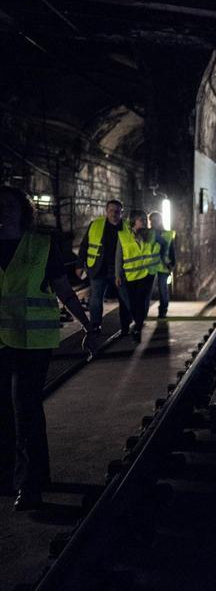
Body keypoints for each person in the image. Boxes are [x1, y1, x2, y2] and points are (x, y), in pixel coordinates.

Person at [0, 185, 103, 510]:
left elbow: (64, 291)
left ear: (23, 210)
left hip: (32, 342)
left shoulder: (41, 245)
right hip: (1, 343)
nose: (4, 210)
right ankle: (24, 475)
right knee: (7, 410)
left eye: (10, 204)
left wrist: (88, 326)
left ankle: (29, 485)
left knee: (25, 409)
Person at [78, 199, 132, 336]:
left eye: (117, 211)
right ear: (106, 211)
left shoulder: (128, 227)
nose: (114, 213)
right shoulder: (95, 225)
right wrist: (79, 265)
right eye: (111, 210)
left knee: (125, 299)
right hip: (98, 268)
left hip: (120, 270)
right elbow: (84, 246)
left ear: (122, 213)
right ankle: (95, 326)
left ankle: (126, 326)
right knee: (95, 300)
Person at [114, 209, 160, 342]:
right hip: (131, 275)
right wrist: (118, 275)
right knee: (133, 303)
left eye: (145, 219)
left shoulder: (151, 234)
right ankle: (136, 325)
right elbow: (119, 257)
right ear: (133, 221)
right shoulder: (123, 236)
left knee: (140, 301)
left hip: (146, 275)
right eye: (141, 220)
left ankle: (137, 329)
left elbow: (157, 250)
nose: (145, 222)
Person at [147, 210, 176, 318]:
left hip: (163, 266)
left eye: (156, 220)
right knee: (148, 291)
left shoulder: (167, 234)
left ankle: (163, 311)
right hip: (151, 266)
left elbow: (172, 250)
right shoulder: (147, 234)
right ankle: (144, 312)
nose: (154, 222)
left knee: (162, 290)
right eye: (152, 220)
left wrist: (172, 264)